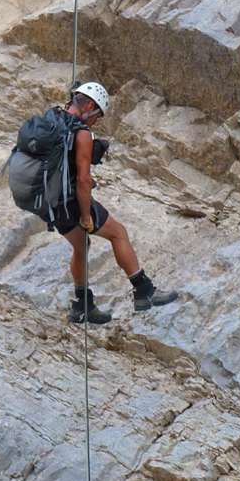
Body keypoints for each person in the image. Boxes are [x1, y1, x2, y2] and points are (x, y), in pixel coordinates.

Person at [49, 81, 179, 325]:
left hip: (48, 201)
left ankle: (82, 306)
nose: (96, 121)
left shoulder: (52, 118)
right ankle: (144, 292)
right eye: (97, 115)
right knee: (118, 233)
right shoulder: (82, 133)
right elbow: (83, 180)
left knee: (81, 245)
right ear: (89, 106)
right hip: (70, 200)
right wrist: (85, 215)